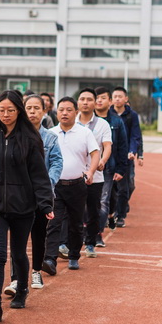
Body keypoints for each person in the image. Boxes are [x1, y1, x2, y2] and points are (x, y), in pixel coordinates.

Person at [0, 90, 53, 324]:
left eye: (10, 110)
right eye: (1, 110)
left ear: (19, 111)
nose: (5, 115)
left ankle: (22, 289)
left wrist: (46, 204)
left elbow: (39, 175)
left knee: (18, 252)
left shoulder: (31, 140)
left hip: (23, 206)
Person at [4, 94, 62, 296]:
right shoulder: (13, 135)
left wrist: (47, 184)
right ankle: (15, 278)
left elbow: (56, 163)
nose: (32, 112)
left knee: (38, 234)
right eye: (29, 108)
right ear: (22, 111)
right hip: (18, 195)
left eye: (37, 108)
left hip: (41, 196)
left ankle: (36, 271)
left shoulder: (50, 138)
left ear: (44, 111)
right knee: (17, 238)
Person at [43, 96, 100, 275]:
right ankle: (50, 259)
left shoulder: (84, 133)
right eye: (61, 110)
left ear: (76, 112)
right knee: (53, 223)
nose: (65, 113)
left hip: (77, 185)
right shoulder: (50, 133)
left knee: (76, 223)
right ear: (57, 112)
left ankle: (74, 255)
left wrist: (90, 172)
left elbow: (95, 153)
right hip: (55, 187)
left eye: (68, 110)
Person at [72, 88, 111, 261]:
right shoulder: (71, 122)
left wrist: (102, 161)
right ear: (78, 103)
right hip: (74, 176)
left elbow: (107, 145)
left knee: (93, 211)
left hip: (96, 177)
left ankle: (90, 243)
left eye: (89, 99)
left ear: (95, 103)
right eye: (82, 99)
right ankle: (71, 242)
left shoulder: (102, 124)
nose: (85, 102)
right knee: (74, 211)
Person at [94, 87, 128, 245]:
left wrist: (121, 169)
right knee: (85, 203)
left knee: (103, 201)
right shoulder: (84, 120)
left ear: (109, 101)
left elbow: (122, 146)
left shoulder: (116, 121)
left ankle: (98, 234)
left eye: (102, 98)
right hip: (85, 168)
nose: (99, 100)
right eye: (97, 98)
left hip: (107, 168)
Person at [111, 86, 144, 227]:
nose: (117, 99)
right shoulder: (108, 114)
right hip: (110, 156)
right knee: (111, 187)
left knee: (128, 186)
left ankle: (121, 211)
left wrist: (134, 152)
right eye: (115, 96)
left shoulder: (132, 115)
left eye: (120, 96)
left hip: (126, 157)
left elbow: (136, 136)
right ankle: (116, 214)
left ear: (126, 99)